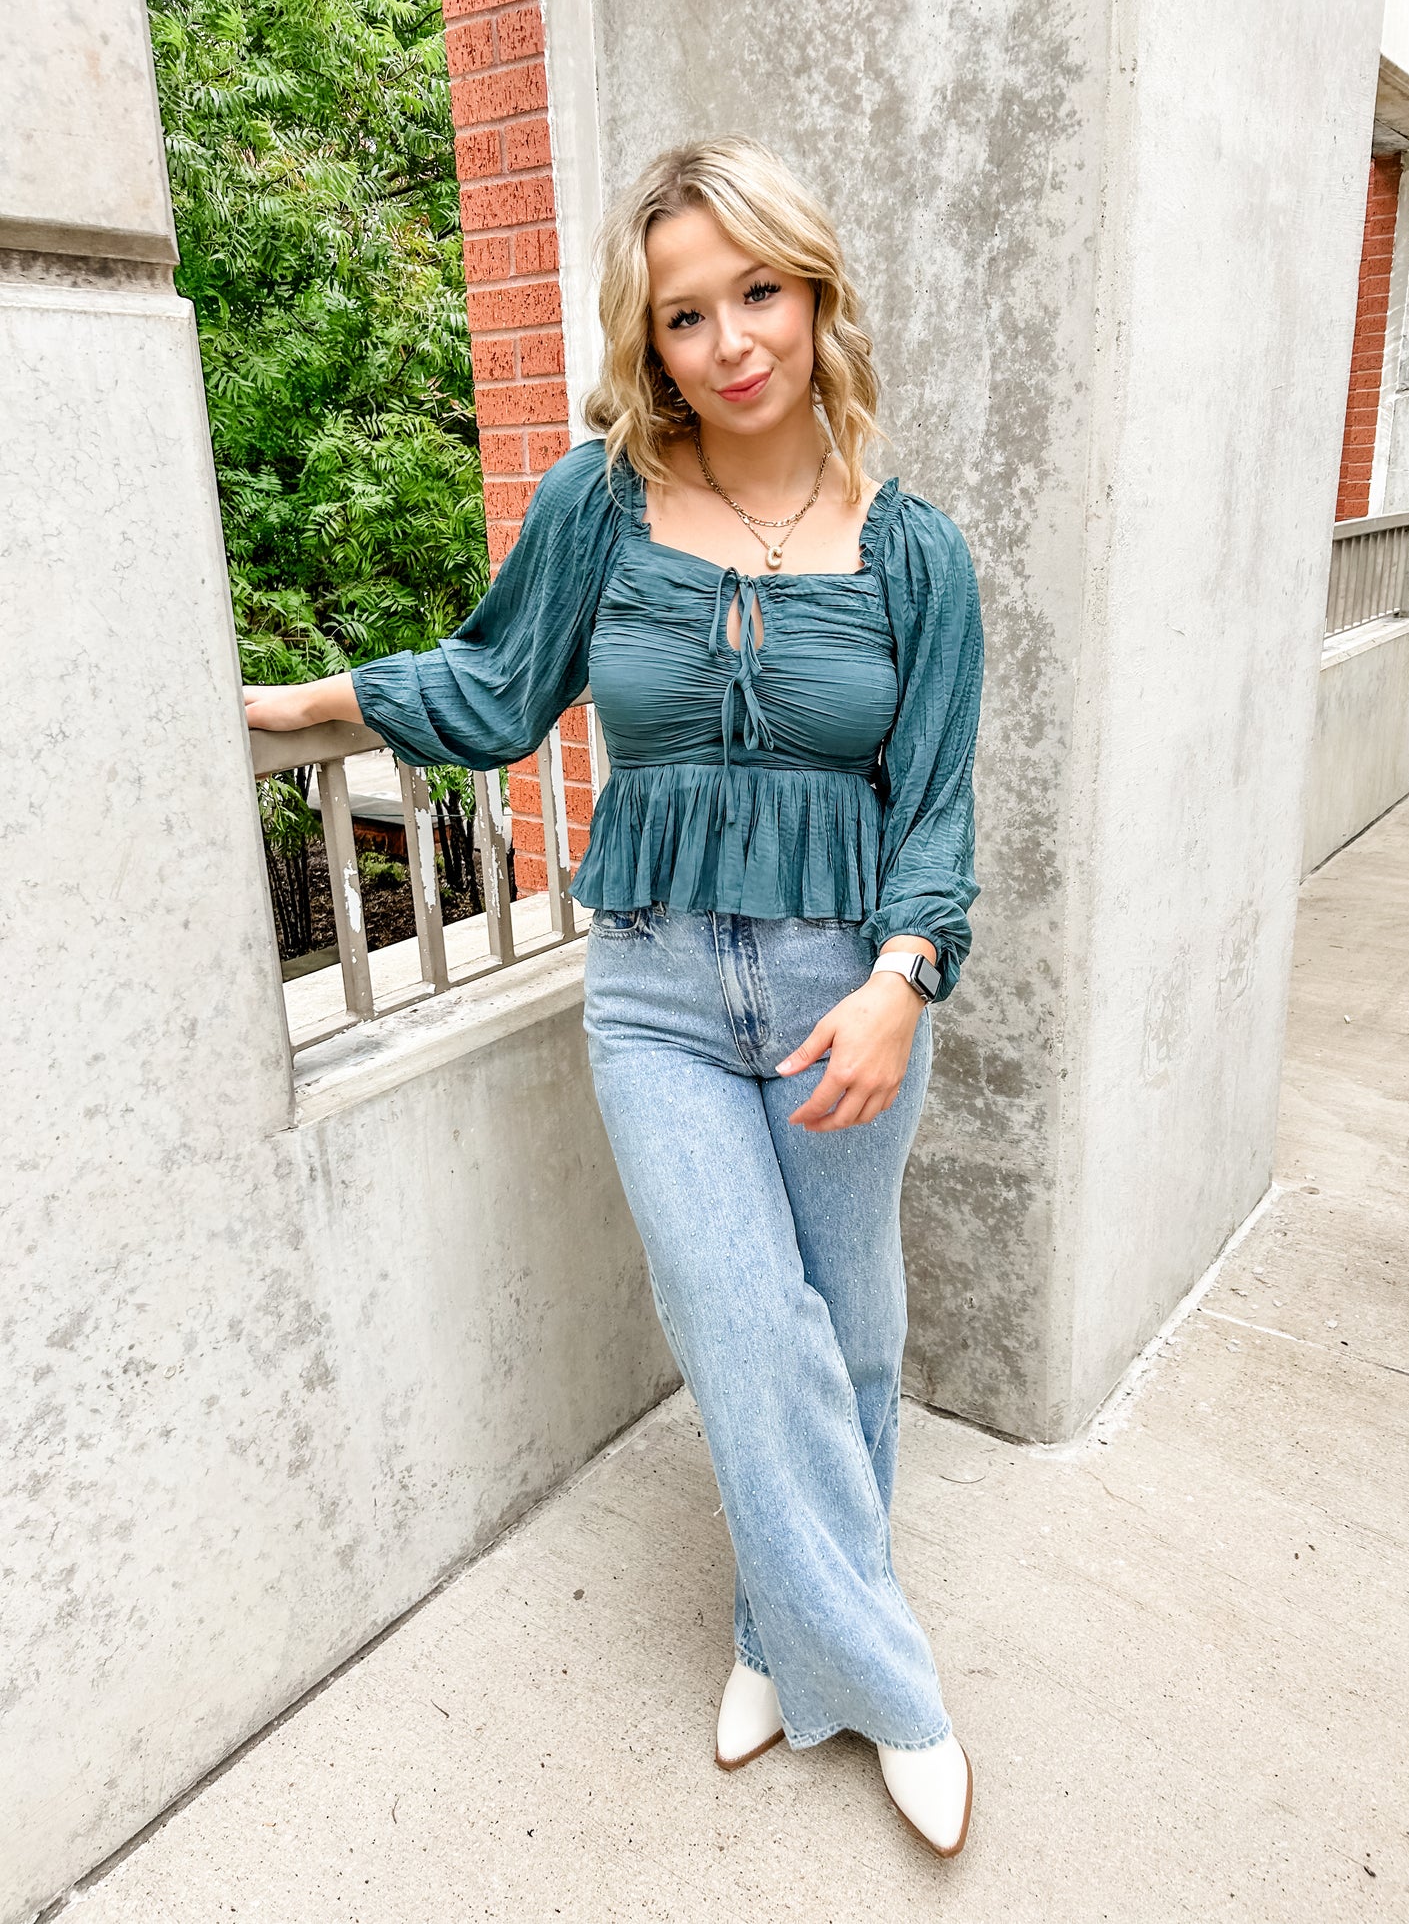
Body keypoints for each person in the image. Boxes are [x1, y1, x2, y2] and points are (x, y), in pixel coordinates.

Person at [245, 135, 984, 1859]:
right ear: (644, 342)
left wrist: (899, 981)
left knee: (847, 1332)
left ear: (813, 295)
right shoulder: (599, 499)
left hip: (840, 990)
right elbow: (502, 685)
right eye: (684, 315)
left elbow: (936, 806)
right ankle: (888, 1683)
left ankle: (771, 1633)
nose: (730, 342)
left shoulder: (916, 552)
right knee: (739, 1321)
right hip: (651, 980)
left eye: (759, 294)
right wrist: (303, 702)